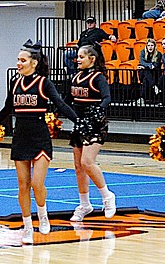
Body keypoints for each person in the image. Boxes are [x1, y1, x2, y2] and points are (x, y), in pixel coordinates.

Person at [0, 40, 79, 244]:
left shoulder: (44, 83)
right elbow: (7, 108)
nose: (18, 63)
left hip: (40, 137)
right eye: (18, 60)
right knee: (22, 185)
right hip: (20, 137)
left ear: (34, 63)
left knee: (37, 183)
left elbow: (61, 104)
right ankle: (27, 226)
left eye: (22, 60)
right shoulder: (15, 83)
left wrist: (78, 121)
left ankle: (43, 215)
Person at [67, 45, 117, 222]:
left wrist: (99, 111)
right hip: (80, 124)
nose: (78, 59)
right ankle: (85, 204)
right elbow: (68, 100)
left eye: (81, 56)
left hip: (95, 124)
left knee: (87, 161)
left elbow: (107, 98)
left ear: (92, 59)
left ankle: (107, 196)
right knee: (78, 167)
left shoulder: (98, 78)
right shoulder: (76, 77)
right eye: (77, 56)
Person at [138, 39, 162, 105]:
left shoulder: (158, 54)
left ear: (154, 46)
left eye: (152, 45)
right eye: (148, 45)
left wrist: (145, 66)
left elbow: (156, 64)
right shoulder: (143, 52)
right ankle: (154, 86)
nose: (150, 47)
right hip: (143, 74)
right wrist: (149, 65)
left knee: (146, 80)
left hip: (154, 74)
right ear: (146, 46)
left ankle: (142, 98)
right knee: (146, 71)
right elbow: (142, 62)